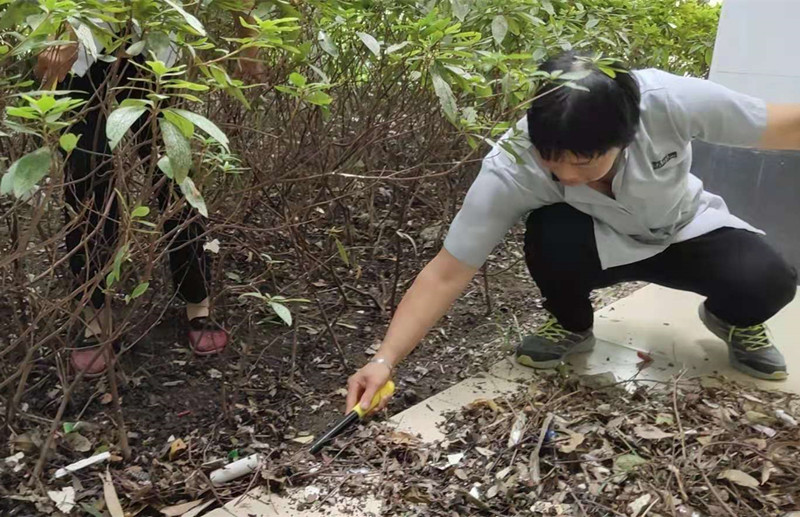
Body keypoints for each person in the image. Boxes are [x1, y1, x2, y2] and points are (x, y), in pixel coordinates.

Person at [345, 51, 799, 414]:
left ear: (626, 136)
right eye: (552, 162)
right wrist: (383, 360)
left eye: (583, 164)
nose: (566, 176)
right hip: (599, 240)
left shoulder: (667, 101)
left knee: (771, 280)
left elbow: (781, 123)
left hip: (683, 228)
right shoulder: (513, 163)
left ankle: (731, 320)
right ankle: (572, 325)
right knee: (549, 231)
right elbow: (448, 271)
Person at [34, 6, 263, 377]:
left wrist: (250, 38)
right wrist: (55, 30)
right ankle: (95, 312)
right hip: (84, 36)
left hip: (156, 36)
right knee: (87, 173)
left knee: (174, 168)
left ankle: (197, 300)